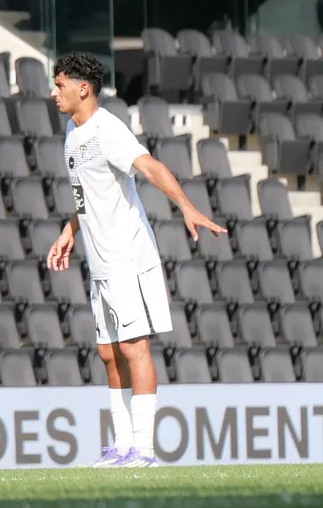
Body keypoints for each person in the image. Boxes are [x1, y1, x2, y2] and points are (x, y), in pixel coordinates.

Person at [47, 53, 226, 469]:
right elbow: (85, 195)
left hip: (126, 257)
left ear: (83, 89)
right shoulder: (72, 133)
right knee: (108, 354)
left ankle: (144, 452)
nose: (54, 93)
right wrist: (68, 233)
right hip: (100, 262)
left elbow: (149, 166)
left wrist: (186, 206)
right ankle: (122, 447)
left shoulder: (108, 130)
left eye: (59, 86)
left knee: (134, 348)